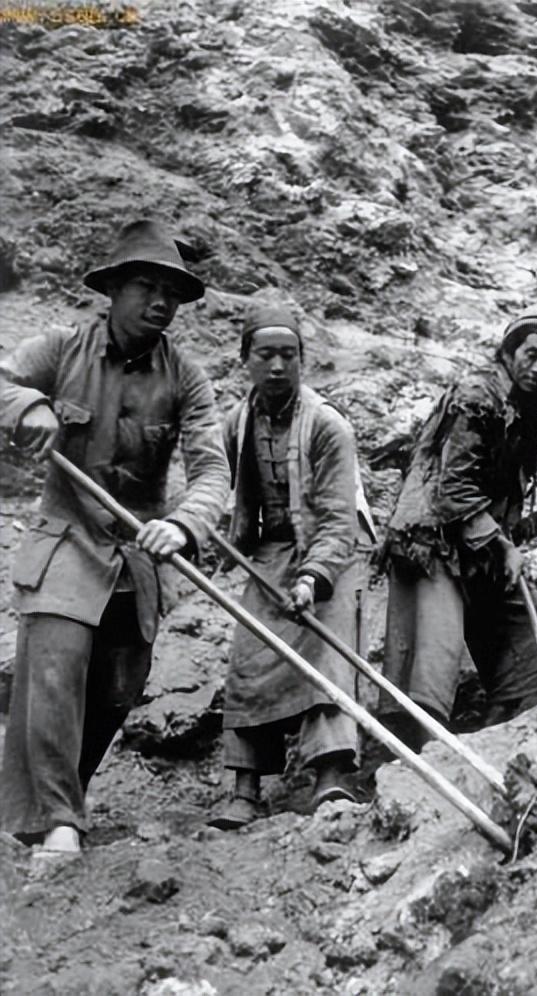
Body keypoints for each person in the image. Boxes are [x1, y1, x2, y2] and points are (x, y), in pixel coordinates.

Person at [0, 220, 230, 857]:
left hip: (137, 555)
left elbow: (212, 469)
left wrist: (182, 523)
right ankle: (58, 819)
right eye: (147, 287)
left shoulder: (186, 377)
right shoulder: (61, 348)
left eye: (172, 293)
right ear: (114, 290)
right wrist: (27, 406)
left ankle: (50, 804)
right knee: (57, 669)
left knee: (120, 687)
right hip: (65, 542)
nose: (161, 302)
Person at [209, 303, 377, 829]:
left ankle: (332, 774)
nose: (278, 366)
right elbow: (215, 487)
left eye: (289, 354)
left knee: (327, 653)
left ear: (303, 359)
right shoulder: (235, 423)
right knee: (251, 655)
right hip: (270, 550)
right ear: (246, 359)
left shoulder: (328, 425)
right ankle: (245, 786)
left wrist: (312, 577)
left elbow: (338, 517)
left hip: (334, 551)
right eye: (266, 355)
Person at [378, 310, 537, 752]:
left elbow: (505, 493)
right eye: (531, 355)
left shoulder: (529, 411)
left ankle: (513, 733)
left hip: (478, 544)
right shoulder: (476, 396)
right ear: (509, 351)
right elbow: (452, 490)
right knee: (436, 656)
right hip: (432, 541)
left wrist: (516, 536)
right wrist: (501, 544)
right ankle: (420, 756)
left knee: (535, 625)